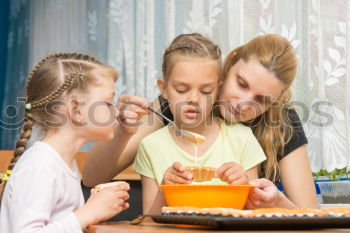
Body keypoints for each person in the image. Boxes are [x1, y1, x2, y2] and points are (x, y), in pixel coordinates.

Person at [83, 34, 317, 209]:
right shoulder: (179, 107)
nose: (243, 103)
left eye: (262, 100)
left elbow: (309, 217)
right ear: (230, 65)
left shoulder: (282, 122)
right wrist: (123, 131)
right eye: (241, 83)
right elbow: (92, 177)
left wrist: (276, 200)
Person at [131, 33, 266, 214]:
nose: (194, 99)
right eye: (181, 89)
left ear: (218, 90)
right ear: (163, 89)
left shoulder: (241, 139)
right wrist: (165, 191)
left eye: (205, 91)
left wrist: (243, 187)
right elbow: (148, 222)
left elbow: (256, 213)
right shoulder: (151, 146)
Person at [0, 53, 130, 233]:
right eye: (108, 103)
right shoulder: (40, 166)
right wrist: (87, 214)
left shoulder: (63, 164)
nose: (116, 112)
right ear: (76, 110)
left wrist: (96, 210)